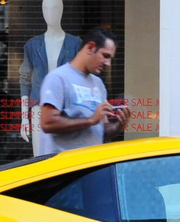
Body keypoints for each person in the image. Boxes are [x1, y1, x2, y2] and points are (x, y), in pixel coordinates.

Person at [35, 27, 126, 157]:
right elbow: (47, 123)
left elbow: (101, 130)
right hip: (63, 170)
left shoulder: (98, 84)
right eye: (105, 56)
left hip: (90, 166)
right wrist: (90, 120)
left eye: (111, 58)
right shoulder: (58, 78)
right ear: (90, 48)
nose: (108, 63)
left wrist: (119, 125)